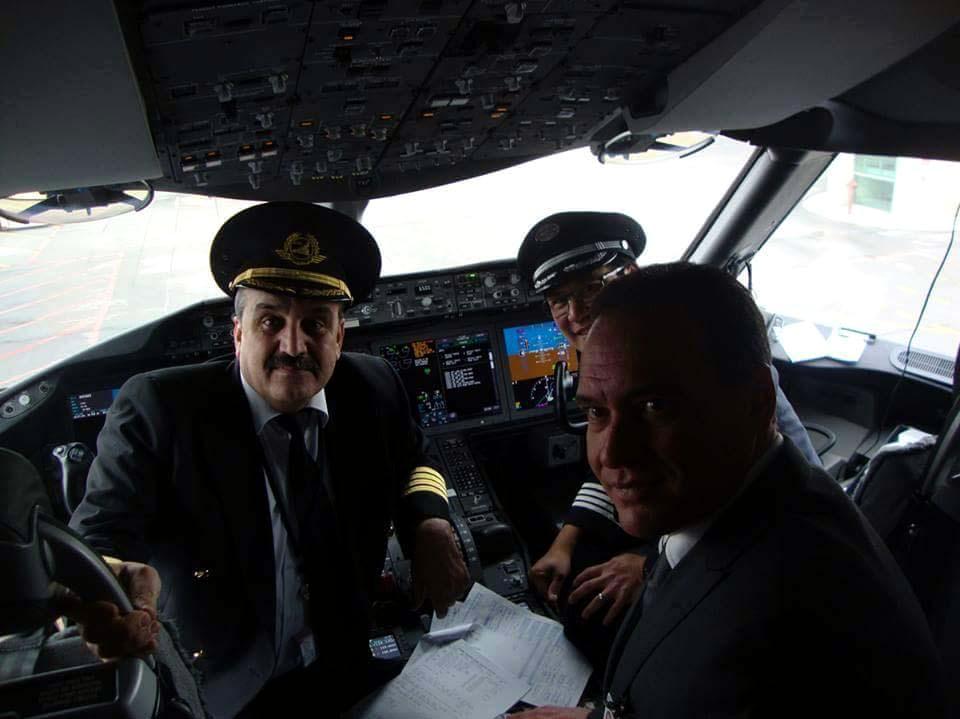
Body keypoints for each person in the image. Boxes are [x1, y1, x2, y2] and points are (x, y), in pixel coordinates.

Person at [69, 202, 470, 718]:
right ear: (237, 333)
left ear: (340, 336)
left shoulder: (372, 386)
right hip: (225, 690)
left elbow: (417, 460)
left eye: (315, 323)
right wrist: (107, 583)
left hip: (343, 665)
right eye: (270, 320)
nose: (293, 345)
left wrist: (430, 524)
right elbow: (97, 537)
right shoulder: (161, 409)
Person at [514, 262, 946, 718]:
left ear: (757, 401)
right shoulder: (762, 496)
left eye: (655, 406)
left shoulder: (768, 631)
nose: (613, 454)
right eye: (596, 413)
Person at [516, 212, 821, 669]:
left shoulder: (694, 357)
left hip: (732, 540)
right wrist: (565, 540)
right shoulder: (616, 350)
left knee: (591, 616)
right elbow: (621, 458)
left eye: (592, 289)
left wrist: (649, 565)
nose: (575, 315)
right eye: (560, 300)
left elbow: (773, 490)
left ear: (630, 277)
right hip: (687, 522)